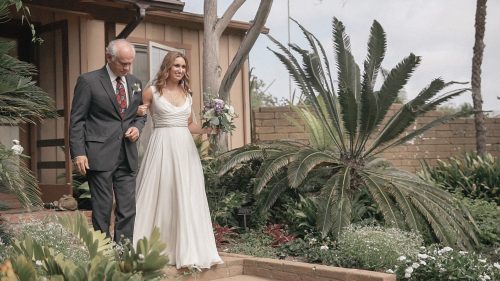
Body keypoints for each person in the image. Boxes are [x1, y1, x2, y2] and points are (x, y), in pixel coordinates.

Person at [133, 52, 223, 269]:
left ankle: (188, 249)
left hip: (185, 149)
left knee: (186, 194)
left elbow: (189, 124)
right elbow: (139, 117)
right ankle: (152, 248)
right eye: (176, 65)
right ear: (167, 66)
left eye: (183, 66)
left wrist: (206, 129)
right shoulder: (151, 91)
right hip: (161, 146)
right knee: (162, 194)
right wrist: (139, 111)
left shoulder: (187, 93)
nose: (180, 70)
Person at [69, 39, 146, 242]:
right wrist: (78, 152)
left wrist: (136, 128)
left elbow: (140, 114)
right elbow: (77, 120)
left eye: (130, 63)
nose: (127, 68)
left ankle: (124, 253)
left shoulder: (136, 82)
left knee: (127, 208)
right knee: (102, 209)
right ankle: (102, 253)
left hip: (127, 154)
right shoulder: (88, 81)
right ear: (109, 57)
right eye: (123, 63)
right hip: (99, 154)